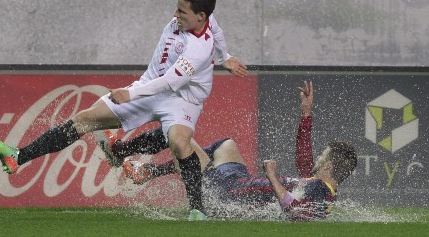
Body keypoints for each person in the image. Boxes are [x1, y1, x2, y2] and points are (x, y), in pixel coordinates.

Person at [0, 0, 248, 218]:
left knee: (180, 143)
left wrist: (130, 94)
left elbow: (171, 81)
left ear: (199, 16)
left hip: (181, 99)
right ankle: (17, 156)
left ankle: (197, 211)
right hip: (149, 86)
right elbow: (217, 29)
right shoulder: (206, 20)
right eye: (177, 8)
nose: (175, 15)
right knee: (85, 119)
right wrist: (225, 57)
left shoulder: (199, 50)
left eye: (182, 12)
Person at [104, 81, 358, 221]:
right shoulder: (320, 187)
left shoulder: (318, 189)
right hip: (239, 183)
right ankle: (148, 171)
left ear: (330, 166)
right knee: (227, 144)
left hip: (228, 193)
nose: (318, 159)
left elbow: (294, 209)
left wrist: (271, 175)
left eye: (323, 157)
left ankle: (126, 156)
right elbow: (303, 158)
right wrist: (305, 115)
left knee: (176, 132)